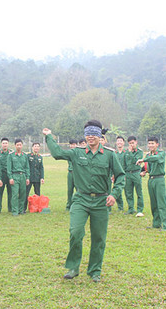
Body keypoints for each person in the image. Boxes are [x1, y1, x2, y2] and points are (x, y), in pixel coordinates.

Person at [43, 120, 125, 283]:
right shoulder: (76, 153)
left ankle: (95, 270)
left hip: (101, 201)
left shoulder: (109, 155)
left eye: (94, 134)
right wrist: (49, 137)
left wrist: (114, 194)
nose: (91, 137)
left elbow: (121, 175)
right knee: (75, 232)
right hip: (81, 199)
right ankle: (73, 267)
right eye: (88, 134)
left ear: (100, 135)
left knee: (99, 237)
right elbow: (58, 153)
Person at [137, 137, 166, 230]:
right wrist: (144, 172)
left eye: (152, 143)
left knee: (161, 203)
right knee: (154, 203)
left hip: (159, 180)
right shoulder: (148, 155)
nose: (150, 145)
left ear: (157, 144)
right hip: (151, 180)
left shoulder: (161, 153)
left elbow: (156, 159)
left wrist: (143, 160)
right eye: (149, 143)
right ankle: (156, 224)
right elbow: (147, 167)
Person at [7, 139, 30, 216]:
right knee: (15, 194)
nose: (19, 146)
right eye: (17, 145)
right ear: (15, 145)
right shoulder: (11, 155)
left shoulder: (25, 155)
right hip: (15, 176)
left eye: (20, 145)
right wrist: (10, 177)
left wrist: (27, 177)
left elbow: (27, 167)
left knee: (23, 194)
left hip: (23, 176)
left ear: (22, 145)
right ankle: (15, 211)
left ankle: (21, 210)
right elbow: (9, 168)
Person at [123, 136, 145, 217]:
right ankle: (131, 208)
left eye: (133, 143)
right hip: (128, 174)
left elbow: (136, 161)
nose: (131, 145)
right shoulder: (126, 152)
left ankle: (140, 209)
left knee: (139, 192)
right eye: (130, 143)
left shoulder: (139, 152)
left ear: (136, 142)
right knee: (128, 192)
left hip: (136, 173)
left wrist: (131, 152)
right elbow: (124, 163)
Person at [25, 142, 44, 212]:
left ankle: (38, 208)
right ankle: (24, 208)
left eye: (38, 146)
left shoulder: (40, 157)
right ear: (32, 147)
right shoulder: (28, 156)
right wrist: (27, 177)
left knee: (37, 193)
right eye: (35, 146)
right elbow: (26, 167)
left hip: (37, 178)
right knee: (26, 193)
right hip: (29, 178)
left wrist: (42, 177)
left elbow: (41, 168)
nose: (36, 148)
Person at [109, 136, 125, 213]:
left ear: (123, 142)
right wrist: (112, 174)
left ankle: (130, 208)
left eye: (121, 141)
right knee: (117, 190)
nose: (119, 142)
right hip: (115, 175)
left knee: (128, 192)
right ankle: (120, 206)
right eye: (118, 141)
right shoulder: (113, 153)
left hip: (125, 174)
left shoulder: (126, 153)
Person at [0, 137, 12, 213]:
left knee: (10, 192)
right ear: (1, 144)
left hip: (9, 175)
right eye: (3, 143)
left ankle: (10, 208)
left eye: (6, 143)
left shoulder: (11, 153)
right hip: (1, 175)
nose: (5, 145)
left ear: (8, 144)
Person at [66, 139, 79, 211]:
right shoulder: (69, 153)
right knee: (70, 190)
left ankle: (78, 204)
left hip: (77, 174)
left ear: (76, 145)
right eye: (71, 144)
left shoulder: (79, 152)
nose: (72, 146)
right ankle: (69, 205)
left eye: (74, 144)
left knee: (79, 190)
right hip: (70, 172)